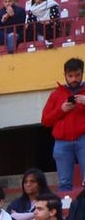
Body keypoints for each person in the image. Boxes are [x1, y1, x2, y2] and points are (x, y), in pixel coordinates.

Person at [41, 58, 85, 193]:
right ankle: (66, 213)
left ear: (82, 73)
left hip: (83, 139)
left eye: (77, 75)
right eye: (70, 76)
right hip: (62, 143)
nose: (74, 79)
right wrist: (61, 110)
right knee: (64, 182)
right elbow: (45, 121)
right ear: (64, 75)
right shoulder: (56, 94)